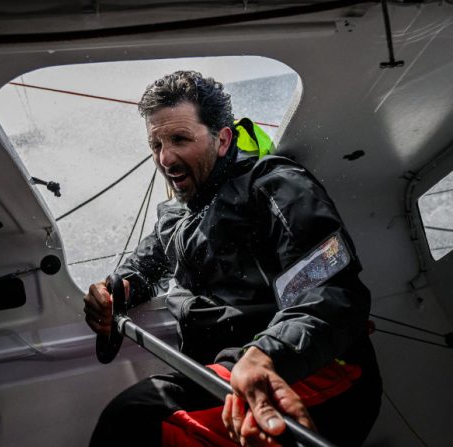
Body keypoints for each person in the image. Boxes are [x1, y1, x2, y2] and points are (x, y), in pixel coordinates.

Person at [83, 71, 381, 447]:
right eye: (156, 143)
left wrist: (265, 355)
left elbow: (334, 294)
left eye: (179, 139)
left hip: (306, 367)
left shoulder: (274, 185)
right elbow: (142, 267)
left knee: (136, 422)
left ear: (222, 139)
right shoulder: (178, 214)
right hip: (224, 366)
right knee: (131, 417)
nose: (165, 157)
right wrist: (113, 292)